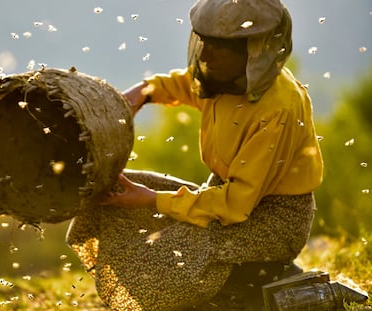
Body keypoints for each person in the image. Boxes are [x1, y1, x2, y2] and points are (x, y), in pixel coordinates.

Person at [66, 0, 324, 310]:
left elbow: (235, 204)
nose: (204, 54)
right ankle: (239, 283)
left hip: (273, 222)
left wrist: (151, 199)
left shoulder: (278, 108)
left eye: (218, 46)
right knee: (117, 195)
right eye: (205, 41)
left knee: (171, 249)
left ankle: (254, 282)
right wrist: (141, 94)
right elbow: (183, 84)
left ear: (253, 50)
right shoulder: (224, 78)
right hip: (226, 199)